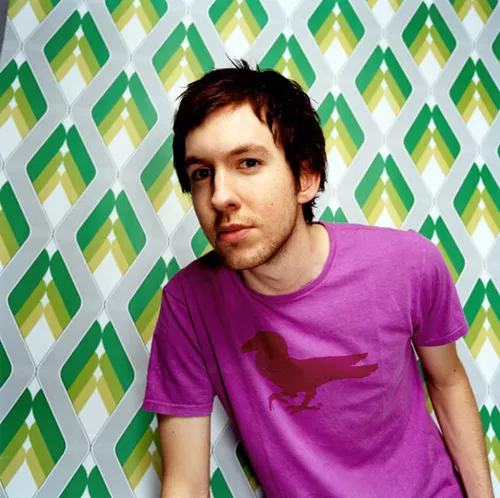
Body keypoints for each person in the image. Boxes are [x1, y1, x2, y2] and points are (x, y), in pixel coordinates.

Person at [142, 59, 493, 497]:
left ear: (305, 177)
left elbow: (448, 380)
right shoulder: (187, 305)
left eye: (248, 162)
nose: (220, 196)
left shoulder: (409, 263)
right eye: (201, 173)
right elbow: (185, 483)